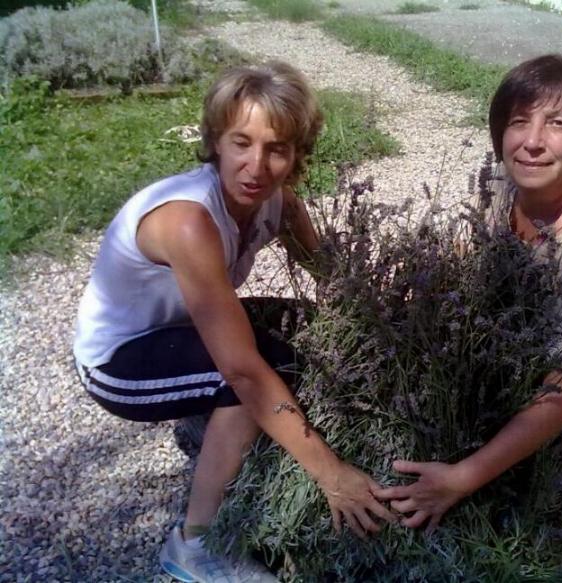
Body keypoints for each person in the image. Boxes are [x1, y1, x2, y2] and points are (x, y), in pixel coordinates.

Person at [73, 62, 395, 582]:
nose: (256, 166)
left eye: (277, 148)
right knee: (249, 375)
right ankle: (195, 545)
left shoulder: (278, 204)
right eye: (241, 142)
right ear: (216, 142)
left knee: (295, 329)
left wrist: (386, 326)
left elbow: (334, 280)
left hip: (177, 332)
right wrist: (332, 474)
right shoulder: (188, 221)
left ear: (296, 155)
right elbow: (244, 371)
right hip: (117, 362)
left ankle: (215, 435)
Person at [376, 54, 562, 530]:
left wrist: (461, 478)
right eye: (519, 122)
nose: (533, 142)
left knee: (514, 509)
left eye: (557, 124)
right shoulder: (506, 177)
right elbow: (463, 257)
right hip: (501, 347)